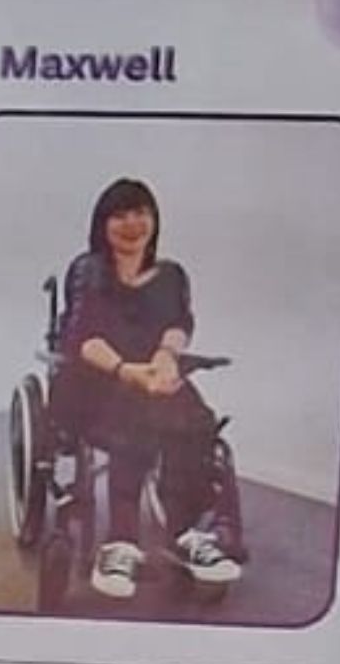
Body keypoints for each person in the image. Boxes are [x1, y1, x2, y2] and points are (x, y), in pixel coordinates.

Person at [50, 177, 239, 600]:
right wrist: (127, 371)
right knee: (138, 411)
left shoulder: (171, 274)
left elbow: (178, 324)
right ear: (103, 224)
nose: (132, 223)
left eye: (141, 212)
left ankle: (187, 533)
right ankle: (120, 542)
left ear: (154, 219)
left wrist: (166, 359)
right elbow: (84, 335)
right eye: (120, 214)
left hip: (154, 374)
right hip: (95, 378)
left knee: (194, 420)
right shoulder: (89, 269)